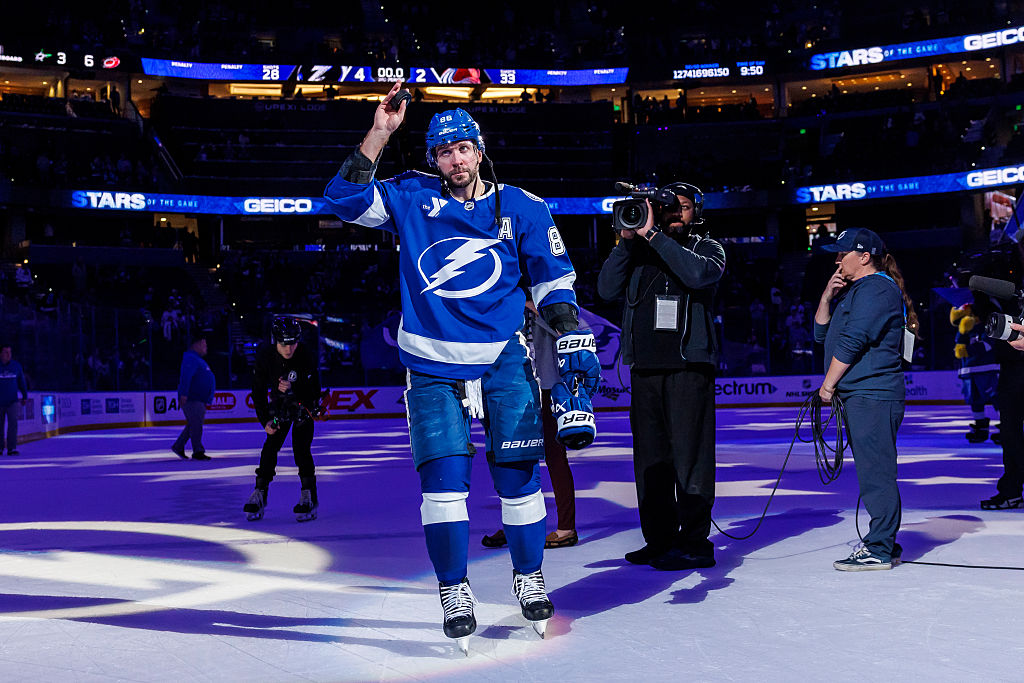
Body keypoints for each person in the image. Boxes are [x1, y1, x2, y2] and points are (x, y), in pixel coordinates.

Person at [323, 82, 600, 649]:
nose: (455, 159)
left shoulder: (522, 205)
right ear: (434, 158)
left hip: (503, 357)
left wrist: (570, 331)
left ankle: (529, 577)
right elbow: (342, 200)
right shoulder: (411, 197)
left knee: (518, 481)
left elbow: (553, 282)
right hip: (431, 362)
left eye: (464, 148)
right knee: (443, 488)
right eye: (444, 151)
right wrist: (380, 132)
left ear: (479, 149)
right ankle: (454, 588)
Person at [597, 182, 726, 571]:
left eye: (683, 208)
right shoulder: (637, 252)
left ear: (696, 212)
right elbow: (605, 290)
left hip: (689, 368)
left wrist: (653, 234)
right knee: (651, 462)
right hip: (646, 369)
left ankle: (695, 543)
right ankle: (660, 539)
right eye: (667, 208)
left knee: (691, 459)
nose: (675, 214)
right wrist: (626, 241)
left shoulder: (708, 248)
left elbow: (698, 275)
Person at [815, 228, 918, 570]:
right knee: (873, 470)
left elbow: (854, 340)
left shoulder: (875, 288)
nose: (836, 259)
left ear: (863, 256)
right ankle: (885, 540)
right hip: (863, 394)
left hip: (873, 394)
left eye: (841, 253)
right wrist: (827, 297)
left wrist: (827, 386)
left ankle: (879, 547)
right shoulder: (857, 290)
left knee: (877, 472)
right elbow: (821, 334)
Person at [482, 300, 582, 550]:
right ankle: (515, 523)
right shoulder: (502, 301)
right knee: (511, 456)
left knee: (555, 455)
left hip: (547, 387)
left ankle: (566, 527)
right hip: (513, 386)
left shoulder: (549, 296)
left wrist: (535, 307)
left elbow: (569, 331)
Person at [243, 317, 324, 522]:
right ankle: (260, 492)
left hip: (303, 408)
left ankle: (308, 495)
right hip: (279, 409)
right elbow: (258, 391)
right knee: (270, 448)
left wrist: (294, 389)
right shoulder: (265, 357)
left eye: (293, 343)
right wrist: (265, 421)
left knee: (301, 450)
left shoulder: (306, 355)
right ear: (275, 341)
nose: (289, 349)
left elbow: (315, 389)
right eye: (284, 344)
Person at [171, 331, 215, 461]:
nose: (206, 347)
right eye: (204, 345)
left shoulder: (195, 359)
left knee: (194, 424)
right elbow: (185, 377)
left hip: (197, 398)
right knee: (196, 425)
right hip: (192, 398)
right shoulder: (191, 358)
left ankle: (179, 446)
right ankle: (198, 450)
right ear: (198, 344)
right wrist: (184, 394)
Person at [0, 345, 29, 456]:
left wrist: (25, 395)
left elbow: (21, 381)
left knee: (13, 424)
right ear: (0, 354)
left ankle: (11, 448)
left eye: (10, 352)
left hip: (12, 401)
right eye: (6, 352)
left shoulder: (16, 366)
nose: (8, 355)